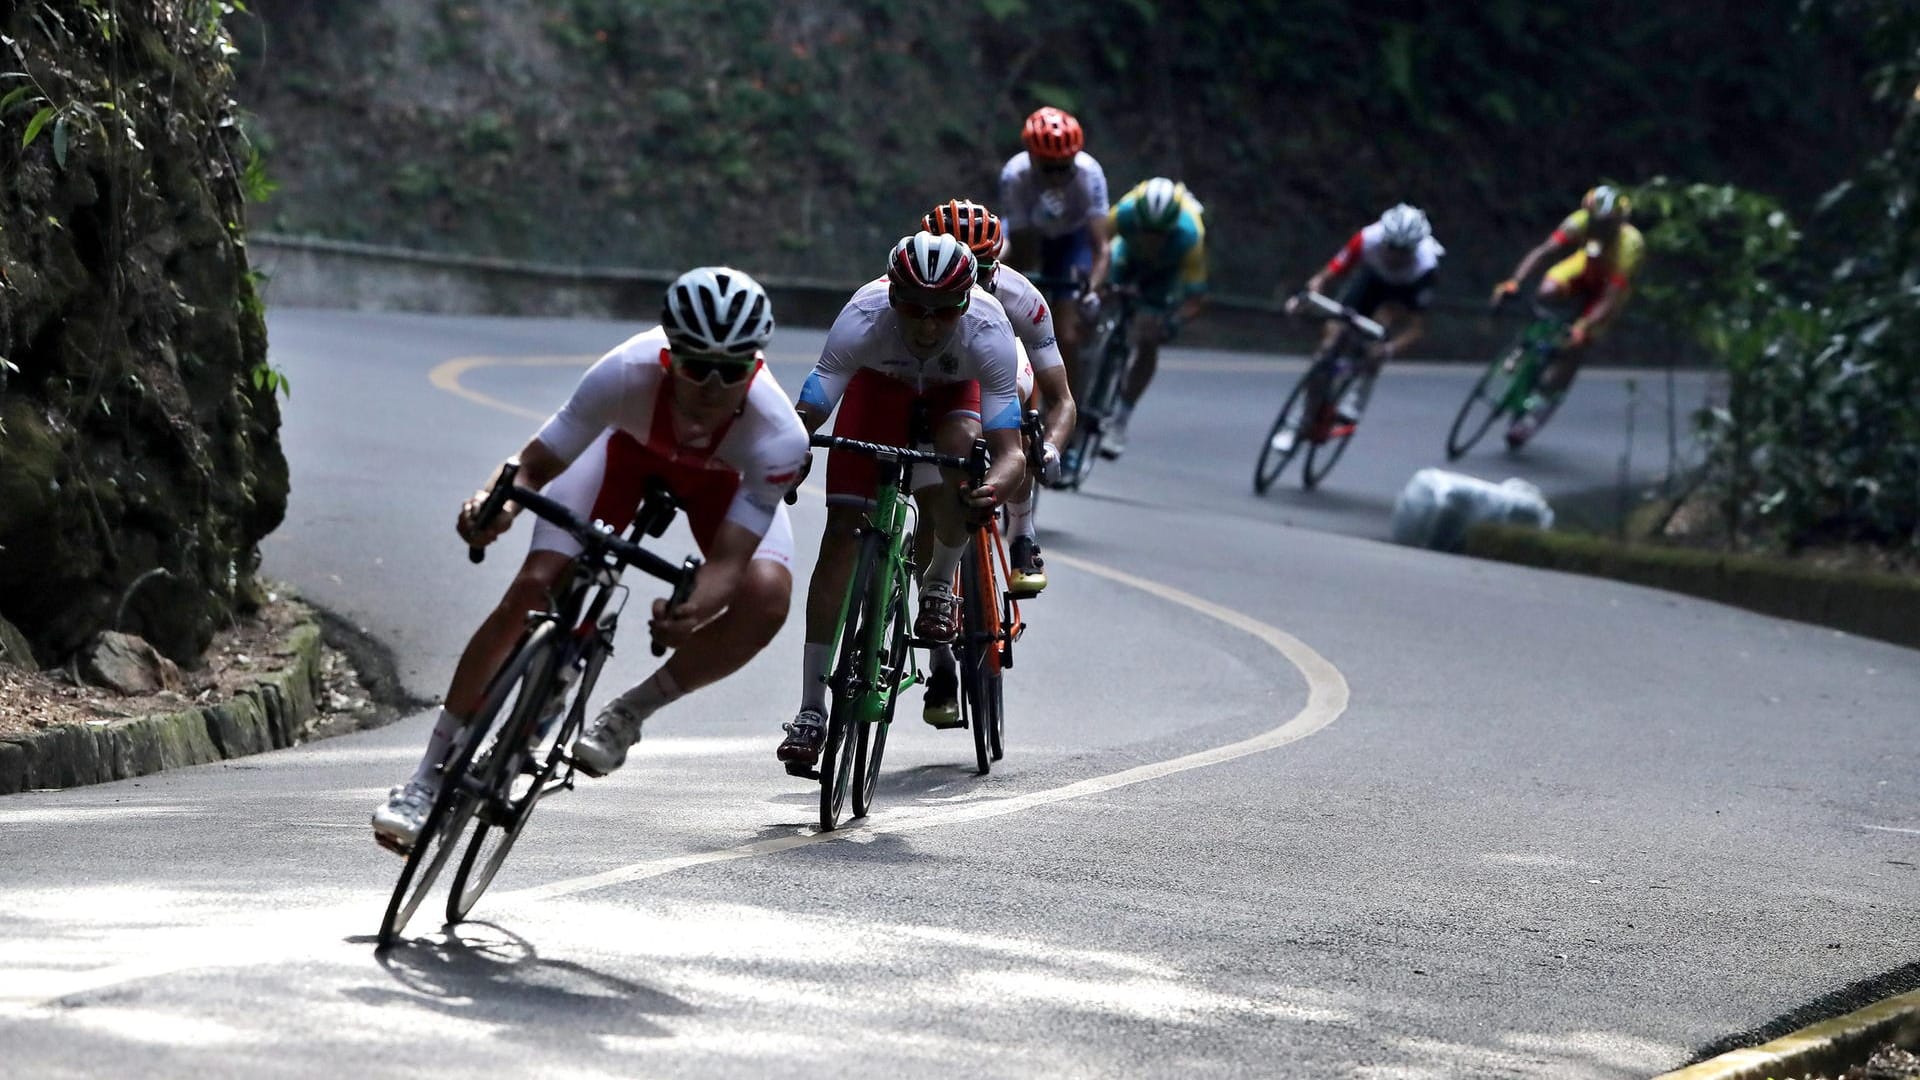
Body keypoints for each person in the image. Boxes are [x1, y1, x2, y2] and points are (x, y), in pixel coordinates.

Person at [372, 268, 807, 851]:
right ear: (666, 355)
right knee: (533, 587)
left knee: (767, 597)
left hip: (721, 487)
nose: (710, 383)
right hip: (624, 458)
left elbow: (729, 563)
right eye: (694, 364)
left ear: (755, 368)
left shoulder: (778, 434)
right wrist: (493, 506)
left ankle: (629, 712)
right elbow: (534, 465)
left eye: (729, 370)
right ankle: (425, 779)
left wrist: (692, 607)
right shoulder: (625, 370)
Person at [778, 233, 1028, 761]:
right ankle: (810, 709)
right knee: (840, 536)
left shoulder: (987, 330)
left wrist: (994, 487)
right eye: (914, 309)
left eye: (943, 312)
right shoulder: (863, 317)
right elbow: (813, 406)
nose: (928, 324)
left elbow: (1010, 452)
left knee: (960, 460)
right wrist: (792, 454)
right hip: (878, 389)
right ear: (892, 297)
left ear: (965, 305)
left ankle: (938, 584)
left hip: (952, 395)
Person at [921, 198, 1077, 599]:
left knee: (1018, 405)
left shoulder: (1021, 297)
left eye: (978, 270)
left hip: (997, 366)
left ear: (997, 263)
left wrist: (1052, 450)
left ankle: (1022, 533)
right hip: (939, 374)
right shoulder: (911, 283)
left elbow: (1061, 399)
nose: (965, 281)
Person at [1490, 184, 1645, 447]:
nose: (1599, 228)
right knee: (1546, 291)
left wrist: (1583, 327)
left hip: (1608, 290)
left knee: (1577, 344)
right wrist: (1514, 282)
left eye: (1607, 224)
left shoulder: (1630, 245)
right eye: (1595, 221)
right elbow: (1544, 251)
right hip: (1585, 267)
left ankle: (1540, 407)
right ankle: (1526, 345)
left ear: (1620, 223)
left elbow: (1609, 297)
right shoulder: (1579, 221)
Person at [1286, 202, 1442, 429]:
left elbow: (1416, 329)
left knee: (1377, 337)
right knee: (1330, 342)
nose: (1396, 257)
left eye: (1404, 251)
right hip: (1370, 281)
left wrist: (1388, 350)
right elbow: (1328, 274)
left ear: (1415, 248)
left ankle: (1356, 398)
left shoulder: (1426, 267)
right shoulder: (1368, 238)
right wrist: (1307, 295)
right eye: (1391, 247)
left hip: (1401, 294)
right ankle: (1303, 415)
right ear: (1384, 238)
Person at [998, 106, 1111, 396]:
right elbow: (1022, 250)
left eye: (1065, 166)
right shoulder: (1015, 175)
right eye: (1049, 167)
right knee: (998, 258)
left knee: (1067, 334)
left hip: (1071, 239)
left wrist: (1091, 291)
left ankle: (1069, 404)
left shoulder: (1089, 174)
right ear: (1032, 158)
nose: (1058, 176)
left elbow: (1101, 246)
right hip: (1028, 234)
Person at [1096, 177, 1209, 460]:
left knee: (1148, 335)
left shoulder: (1190, 235)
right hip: (1126, 257)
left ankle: (1120, 419)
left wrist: (1172, 323)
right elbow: (1097, 247)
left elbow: (1195, 300)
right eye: (1146, 231)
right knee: (1094, 301)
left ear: (1172, 230)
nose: (1151, 239)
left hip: (1164, 274)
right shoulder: (1123, 214)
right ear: (1136, 219)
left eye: (1160, 234)